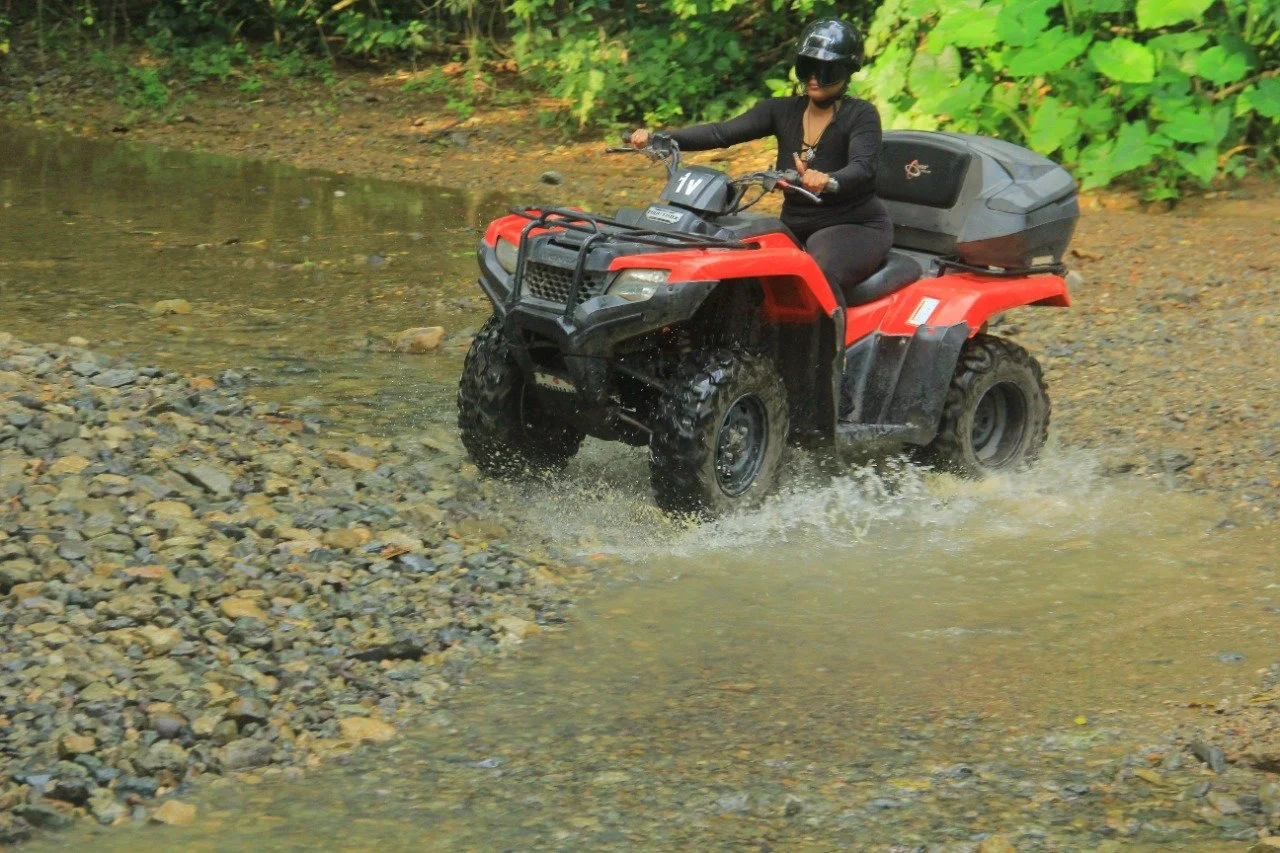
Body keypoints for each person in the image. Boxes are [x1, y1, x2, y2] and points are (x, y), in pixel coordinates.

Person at [630, 19, 893, 307]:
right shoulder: (780, 110)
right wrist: (663, 139)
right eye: (808, 68)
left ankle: (833, 351)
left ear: (847, 72)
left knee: (820, 273)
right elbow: (721, 133)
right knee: (738, 264)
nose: (815, 78)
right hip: (794, 223)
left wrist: (829, 179)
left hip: (853, 224)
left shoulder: (862, 115)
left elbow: (863, 167)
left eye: (827, 70)